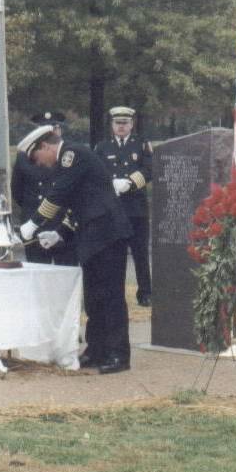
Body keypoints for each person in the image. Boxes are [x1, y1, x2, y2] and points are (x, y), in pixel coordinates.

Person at [17, 125, 132, 373]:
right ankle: (97, 349)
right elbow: (76, 206)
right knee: (93, 297)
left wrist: (32, 224)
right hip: (91, 234)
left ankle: (118, 354)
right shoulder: (64, 163)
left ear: (46, 146)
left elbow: (59, 194)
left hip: (108, 233)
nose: (39, 164)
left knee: (110, 295)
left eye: (37, 157)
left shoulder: (72, 154)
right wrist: (58, 233)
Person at [95, 107, 153, 306]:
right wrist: (109, 184)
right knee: (115, 255)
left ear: (131, 124)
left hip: (136, 208)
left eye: (125, 123)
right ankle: (115, 293)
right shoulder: (102, 147)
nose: (121, 127)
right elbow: (97, 173)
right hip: (113, 209)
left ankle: (145, 293)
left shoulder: (141, 144)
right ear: (112, 125)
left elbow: (149, 169)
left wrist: (130, 182)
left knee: (141, 254)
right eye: (117, 123)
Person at [11, 112, 77, 265]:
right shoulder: (25, 156)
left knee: (67, 272)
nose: (51, 132)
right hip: (34, 221)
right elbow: (17, 190)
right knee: (37, 273)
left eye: (54, 128)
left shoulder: (68, 155)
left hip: (61, 222)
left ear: (59, 130)